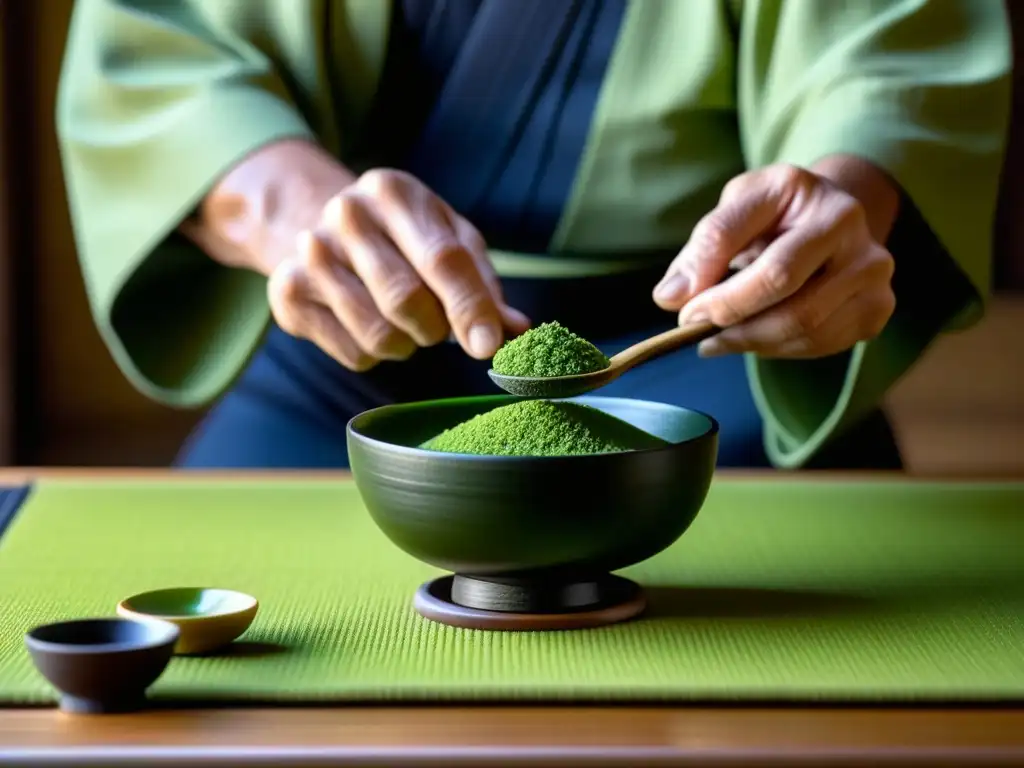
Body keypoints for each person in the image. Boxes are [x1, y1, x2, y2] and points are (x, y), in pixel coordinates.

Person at [55, 0, 1010, 470]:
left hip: (713, 342)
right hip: (347, 340)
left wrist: (839, 204)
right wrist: (305, 218)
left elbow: (887, 54)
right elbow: (156, 49)